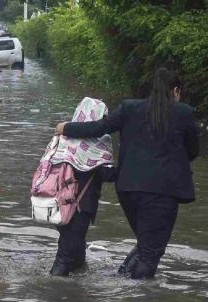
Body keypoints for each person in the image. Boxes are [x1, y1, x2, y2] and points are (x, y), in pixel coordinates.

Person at [55, 68, 199, 279]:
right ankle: (137, 300)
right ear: (176, 90)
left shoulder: (130, 108)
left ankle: (122, 277)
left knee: (146, 244)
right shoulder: (184, 113)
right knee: (151, 253)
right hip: (163, 192)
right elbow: (193, 151)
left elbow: (99, 127)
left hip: (128, 189)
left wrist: (66, 127)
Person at [46, 98, 117, 276]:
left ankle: (76, 287)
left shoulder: (62, 140)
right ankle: (55, 292)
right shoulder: (97, 146)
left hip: (58, 203)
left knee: (74, 248)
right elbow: (107, 175)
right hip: (80, 206)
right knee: (65, 255)